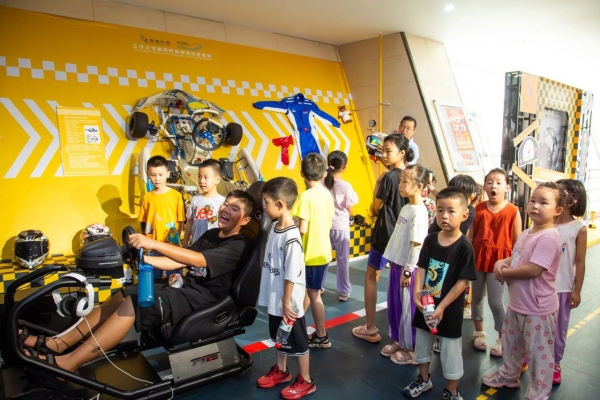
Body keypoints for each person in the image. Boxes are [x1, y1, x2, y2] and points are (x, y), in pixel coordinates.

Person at [21, 190, 256, 378]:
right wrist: (145, 258)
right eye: (226, 204)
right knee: (124, 293)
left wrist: (152, 243)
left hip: (203, 300)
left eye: (235, 208)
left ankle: (69, 363)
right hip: (186, 289)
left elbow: (198, 260)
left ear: (245, 220)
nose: (226, 209)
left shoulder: (237, 245)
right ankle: (58, 343)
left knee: (134, 304)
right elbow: (178, 261)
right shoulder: (211, 235)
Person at [482, 182, 565, 400]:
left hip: (537, 308)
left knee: (539, 354)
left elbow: (533, 269)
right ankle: (509, 375)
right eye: (533, 201)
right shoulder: (528, 232)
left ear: (557, 210)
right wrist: (501, 262)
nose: (535, 206)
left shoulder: (549, 237)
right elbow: (518, 257)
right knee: (511, 345)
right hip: (517, 304)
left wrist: (504, 273)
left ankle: (538, 394)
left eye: (543, 202)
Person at [403, 187, 477, 400]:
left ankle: (451, 390)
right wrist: (417, 293)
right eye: (440, 210)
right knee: (423, 344)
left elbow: (462, 282)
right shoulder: (430, 240)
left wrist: (442, 307)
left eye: (451, 211)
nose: (445, 216)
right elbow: (422, 268)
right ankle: (423, 379)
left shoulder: (464, 247)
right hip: (426, 305)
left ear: (464, 215)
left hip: (449, 310)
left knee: (450, 350)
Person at [256, 177, 316, 399]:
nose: (264, 206)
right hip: (277, 297)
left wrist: (286, 301)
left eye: (266, 202)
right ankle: (281, 370)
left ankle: (306, 380)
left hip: (288, 302)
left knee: (298, 341)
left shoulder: (291, 236)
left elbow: (291, 274)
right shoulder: (274, 227)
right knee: (279, 337)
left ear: (280, 204)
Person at [352, 134, 414, 343]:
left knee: (371, 277)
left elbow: (375, 206)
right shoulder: (413, 175)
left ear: (402, 153)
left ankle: (370, 327)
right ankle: (404, 333)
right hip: (405, 235)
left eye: (388, 151)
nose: (384, 155)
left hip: (385, 234)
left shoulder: (388, 178)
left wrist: (378, 184)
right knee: (401, 282)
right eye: (383, 151)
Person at [468, 168, 522, 356]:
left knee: (496, 302)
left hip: (499, 262)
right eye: (490, 182)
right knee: (476, 298)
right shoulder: (478, 208)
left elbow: (517, 243)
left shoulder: (513, 211)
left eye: (499, 182)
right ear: (484, 186)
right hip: (478, 258)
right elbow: (471, 236)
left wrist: (512, 264)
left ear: (507, 187)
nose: (494, 186)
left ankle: (502, 338)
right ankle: (479, 332)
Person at [380, 165, 429, 365]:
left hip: (408, 269)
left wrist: (408, 271)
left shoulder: (419, 213)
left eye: (405, 181)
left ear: (419, 186)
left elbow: (417, 245)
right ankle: (400, 341)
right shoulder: (406, 207)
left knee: (409, 309)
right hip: (397, 265)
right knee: (396, 306)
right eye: (400, 180)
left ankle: (412, 349)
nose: (400, 185)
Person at [427, 174, 478, 353]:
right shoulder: (433, 236)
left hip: (451, 260)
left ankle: (444, 336)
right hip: (437, 258)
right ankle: (435, 333)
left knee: (451, 301)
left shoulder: (469, 213)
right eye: (440, 210)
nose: (445, 214)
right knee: (433, 297)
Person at [292, 153, 335, 348]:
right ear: (324, 173)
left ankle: (321, 335)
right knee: (310, 291)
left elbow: (302, 228)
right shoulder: (326, 194)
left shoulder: (305, 196)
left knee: (314, 294)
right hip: (323, 251)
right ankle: (297, 324)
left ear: (302, 173)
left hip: (310, 253)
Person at [552, 179, 588, 385]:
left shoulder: (578, 228)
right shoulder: (545, 223)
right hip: (540, 286)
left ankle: (555, 362)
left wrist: (577, 289)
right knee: (535, 324)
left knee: (559, 328)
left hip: (563, 288)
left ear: (571, 201)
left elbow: (580, 261)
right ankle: (530, 355)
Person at [138, 155, 185, 280]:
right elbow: (143, 222)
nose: (157, 179)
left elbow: (180, 220)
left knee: (175, 279)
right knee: (153, 279)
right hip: (151, 245)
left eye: (160, 174)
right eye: (153, 175)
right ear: (148, 174)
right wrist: (146, 240)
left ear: (168, 174)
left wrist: (176, 241)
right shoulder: (147, 197)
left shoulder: (176, 196)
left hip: (171, 245)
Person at [323, 150, 358, 302]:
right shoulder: (345, 186)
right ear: (344, 167)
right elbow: (350, 206)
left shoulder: (322, 183)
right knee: (342, 260)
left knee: (323, 258)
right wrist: (351, 215)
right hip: (341, 227)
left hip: (325, 226)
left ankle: (318, 286)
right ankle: (344, 291)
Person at [183, 159, 225, 247]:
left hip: (213, 247)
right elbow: (190, 222)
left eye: (206, 177)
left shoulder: (223, 202)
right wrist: (185, 242)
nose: (201, 181)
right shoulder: (195, 199)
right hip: (195, 246)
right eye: (199, 176)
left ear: (217, 180)